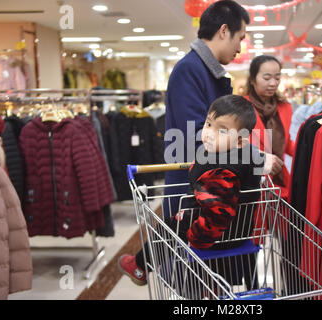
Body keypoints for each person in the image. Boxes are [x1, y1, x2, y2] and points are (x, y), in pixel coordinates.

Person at [118, 95, 264, 286]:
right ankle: (141, 264)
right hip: (238, 230)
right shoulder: (241, 156)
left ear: (239, 142)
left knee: (172, 225)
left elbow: (218, 214)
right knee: (173, 222)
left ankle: (140, 266)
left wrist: (197, 238)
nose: (210, 133)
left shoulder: (221, 169)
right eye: (209, 124)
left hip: (217, 235)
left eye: (222, 130)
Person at [162, 0, 251, 219]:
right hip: (189, 192)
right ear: (224, 31)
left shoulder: (207, 73)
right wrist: (251, 157)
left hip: (205, 189)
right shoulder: (190, 70)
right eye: (239, 38)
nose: (239, 48)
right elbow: (196, 135)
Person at [245, 55, 294, 200]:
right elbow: (233, 146)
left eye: (277, 78)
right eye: (267, 78)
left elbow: (286, 141)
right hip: (252, 180)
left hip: (279, 178)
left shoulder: (285, 107)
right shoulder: (241, 107)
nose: (273, 83)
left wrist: (309, 152)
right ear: (253, 79)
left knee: (281, 221)